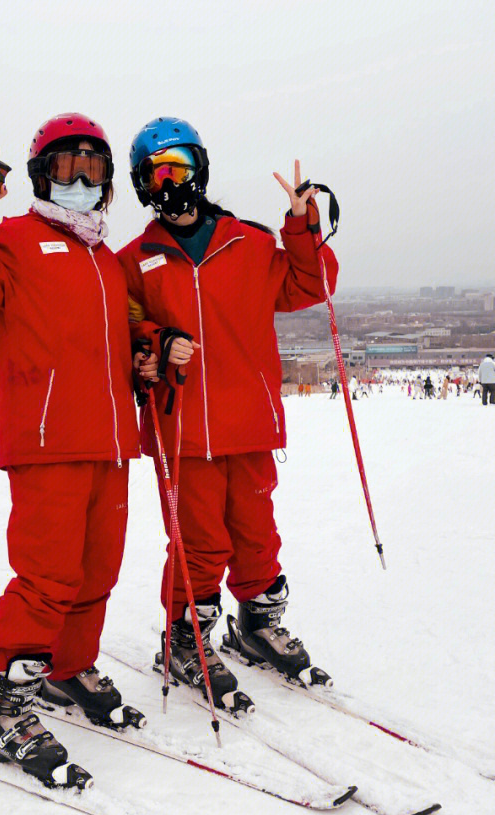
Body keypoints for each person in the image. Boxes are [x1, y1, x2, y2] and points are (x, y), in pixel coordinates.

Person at [0, 114, 144, 788]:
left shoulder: (106, 258)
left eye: (95, 169)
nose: (82, 182)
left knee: (96, 570)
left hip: (111, 443)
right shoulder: (13, 240)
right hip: (49, 440)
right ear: (40, 174)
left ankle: (67, 669)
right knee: (48, 575)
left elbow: (117, 337)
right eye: (66, 168)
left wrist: (151, 351)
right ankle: (2, 706)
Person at [120, 117, 338, 713]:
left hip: (249, 420)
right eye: (156, 173)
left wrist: (301, 225)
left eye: (179, 168)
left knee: (256, 533)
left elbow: (311, 282)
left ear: (201, 169)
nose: (170, 183)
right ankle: (184, 641)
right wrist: (156, 341)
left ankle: (257, 625)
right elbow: (125, 326)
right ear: (142, 184)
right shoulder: (134, 260)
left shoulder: (250, 242)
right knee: (198, 542)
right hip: (183, 426)